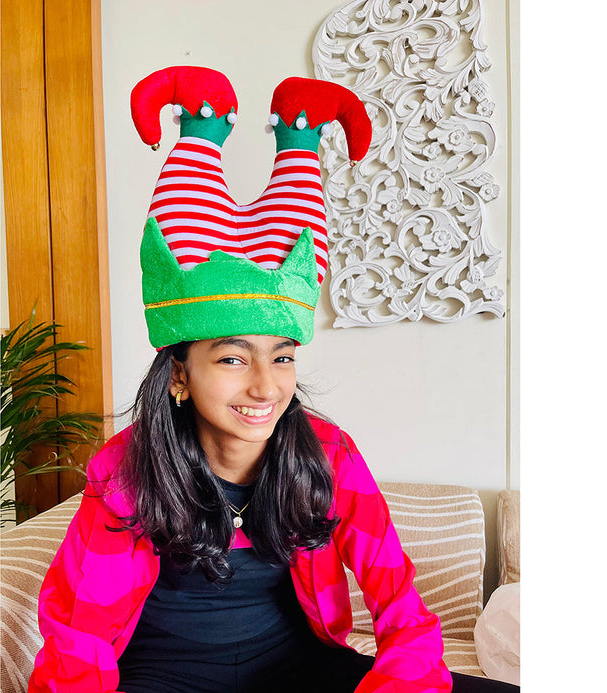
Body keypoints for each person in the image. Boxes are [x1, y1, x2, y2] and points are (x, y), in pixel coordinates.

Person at [28, 67, 520, 693]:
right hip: (164, 678)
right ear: (179, 374)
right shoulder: (128, 470)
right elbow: (80, 637)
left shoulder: (327, 453)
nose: (265, 387)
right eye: (233, 359)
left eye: (282, 357)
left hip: (296, 670)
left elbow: (401, 608)